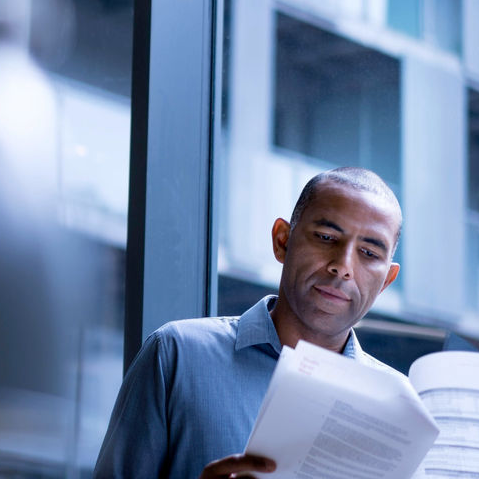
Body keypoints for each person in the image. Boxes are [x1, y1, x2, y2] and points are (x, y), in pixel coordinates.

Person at [93, 166, 404, 479]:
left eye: (368, 253)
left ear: (387, 280)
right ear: (282, 241)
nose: (343, 266)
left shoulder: (400, 405)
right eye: (326, 237)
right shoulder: (177, 354)